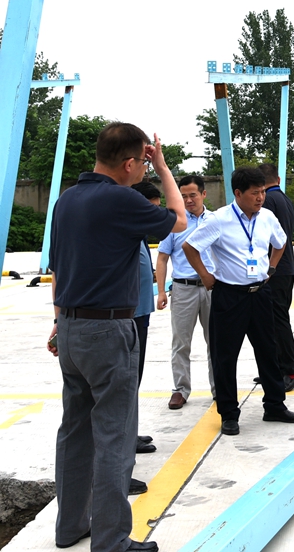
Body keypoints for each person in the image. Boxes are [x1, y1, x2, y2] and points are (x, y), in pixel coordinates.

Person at [48, 123, 185, 552]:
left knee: (75, 431)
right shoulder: (121, 199)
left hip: (70, 327)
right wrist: (164, 168)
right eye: (141, 163)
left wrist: (59, 321)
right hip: (108, 330)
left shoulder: (67, 200)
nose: (143, 170)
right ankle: (111, 541)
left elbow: (58, 266)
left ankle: (70, 526)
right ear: (129, 163)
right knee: (114, 436)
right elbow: (179, 219)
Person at [182, 167, 294, 436]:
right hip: (229, 296)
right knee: (225, 356)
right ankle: (228, 413)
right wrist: (205, 275)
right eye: (254, 193)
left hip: (260, 293)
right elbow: (190, 247)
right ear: (238, 193)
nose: (260, 198)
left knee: (268, 351)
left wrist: (271, 268)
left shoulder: (267, 217)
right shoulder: (219, 220)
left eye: (262, 192)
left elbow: (281, 242)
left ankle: (275, 405)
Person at [155, 175, 215, 410]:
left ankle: (219, 387)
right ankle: (180, 389)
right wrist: (161, 291)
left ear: (203, 194)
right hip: (183, 289)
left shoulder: (216, 221)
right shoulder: (175, 223)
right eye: (184, 196)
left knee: (216, 341)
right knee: (181, 342)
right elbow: (162, 258)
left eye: (193, 195)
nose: (188, 200)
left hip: (212, 289)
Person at [129, 181, 160, 498]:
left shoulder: (138, 234)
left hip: (141, 313)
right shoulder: (124, 232)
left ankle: (130, 434)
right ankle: (119, 461)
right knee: (123, 384)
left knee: (133, 381)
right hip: (128, 317)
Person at [260, 162, 294, 392]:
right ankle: (276, 368)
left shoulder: (267, 201)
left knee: (278, 322)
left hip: (274, 269)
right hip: (285, 268)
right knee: (274, 321)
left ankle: (290, 370)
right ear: (277, 179)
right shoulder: (284, 199)